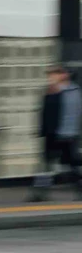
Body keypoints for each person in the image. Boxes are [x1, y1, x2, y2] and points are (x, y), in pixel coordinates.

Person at [30, 64, 82, 201]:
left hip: (66, 135)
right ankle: (40, 193)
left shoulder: (72, 92)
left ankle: (41, 193)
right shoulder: (52, 91)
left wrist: (69, 134)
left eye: (54, 73)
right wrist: (43, 131)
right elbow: (46, 114)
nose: (51, 76)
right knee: (48, 166)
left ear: (64, 75)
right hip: (53, 134)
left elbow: (72, 115)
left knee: (70, 166)